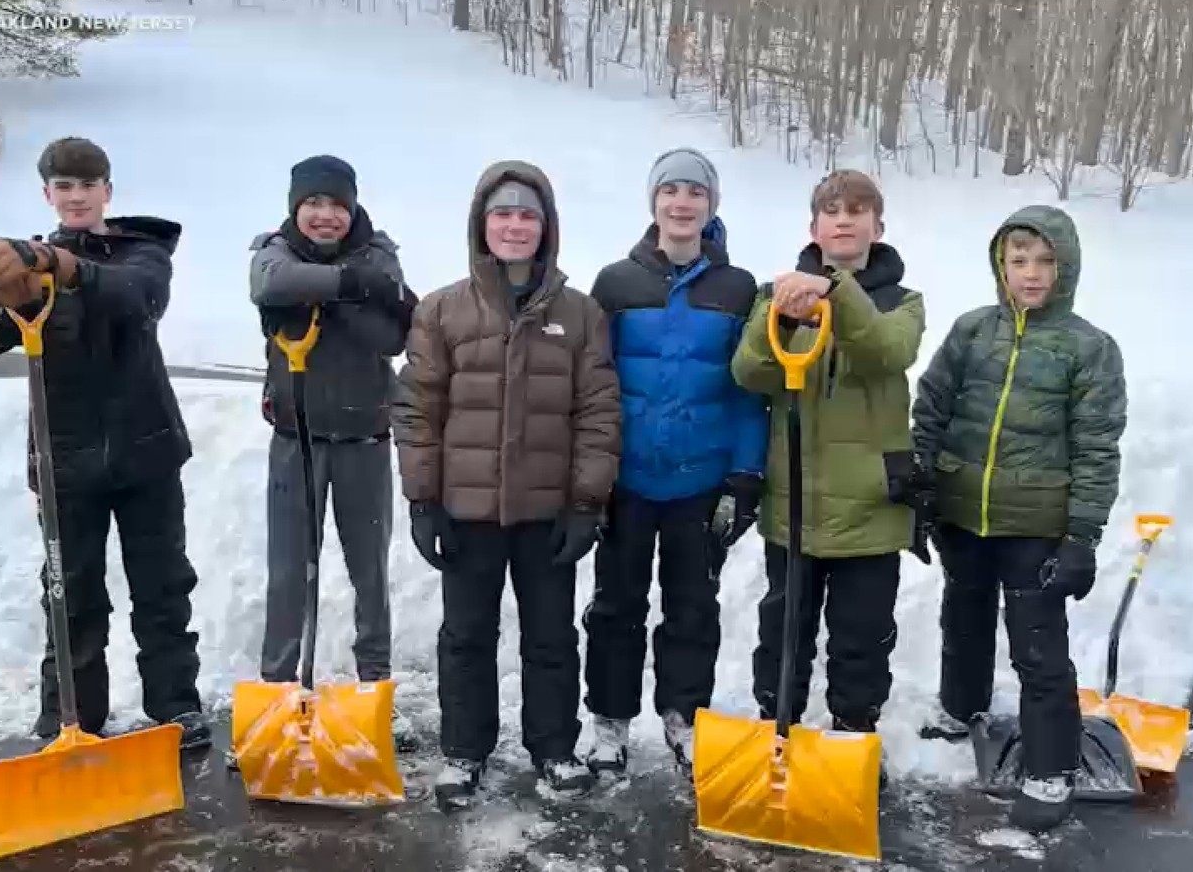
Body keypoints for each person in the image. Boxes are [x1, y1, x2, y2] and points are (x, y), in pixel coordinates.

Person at [0, 136, 208, 750]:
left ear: (107, 192)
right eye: (63, 187)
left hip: (146, 452)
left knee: (163, 588)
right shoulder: (26, 263)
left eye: (87, 186)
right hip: (64, 458)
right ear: (47, 194)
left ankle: (176, 707)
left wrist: (61, 267)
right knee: (70, 597)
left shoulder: (140, 251)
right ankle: (70, 718)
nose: (76, 197)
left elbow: (137, 298)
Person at [392, 160, 621, 809]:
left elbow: (598, 410)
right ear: (481, 224)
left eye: (528, 214)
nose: (515, 225)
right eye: (503, 213)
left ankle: (553, 747)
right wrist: (423, 499)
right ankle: (465, 751)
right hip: (466, 512)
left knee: (551, 637)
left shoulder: (580, 315)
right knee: (465, 636)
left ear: (546, 227)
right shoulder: (442, 311)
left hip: (548, 511)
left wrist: (586, 502)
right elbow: (418, 409)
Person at [911, 205, 1127, 833]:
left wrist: (1082, 537)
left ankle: (1052, 765)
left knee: (1038, 645)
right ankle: (962, 706)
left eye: (1044, 261)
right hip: (964, 513)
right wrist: (924, 481)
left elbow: (1097, 446)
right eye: (1018, 260)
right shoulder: (973, 331)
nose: (1031, 274)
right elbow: (932, 406)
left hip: (1036, 524)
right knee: (964, 616)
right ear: (1000, 266)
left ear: (1068, 266)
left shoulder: (1089, 348)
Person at [730, 170, 925, 778]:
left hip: (871, 505)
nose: (845, 220)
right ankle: (776, 728)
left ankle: (852, 734)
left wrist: (836, 293)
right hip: (797, 501)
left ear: (878, 227)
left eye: (859, 211)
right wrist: (784, 322)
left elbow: (887, 353)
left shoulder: (902, 302)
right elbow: (749, 371)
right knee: (783, 629)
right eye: (832, 211)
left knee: (861, 635)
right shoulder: (778, 293)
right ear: (813, 227)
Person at [582, 147, 767, 778]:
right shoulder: (615, 283)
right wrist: (593, 472)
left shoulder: (738, 288)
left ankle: (684, 718)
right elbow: (593, 384)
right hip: (627, 480)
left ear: (711, 205)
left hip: (700, 482)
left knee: (693, 607)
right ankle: (609, 724)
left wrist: (744, 477)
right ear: (653, 201)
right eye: (671, 191)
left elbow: (746, 391)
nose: (682, 203)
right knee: (616, 605)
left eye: (695, 192)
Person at [247, 155, 419, 751]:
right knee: (288, 574)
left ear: (352, 208)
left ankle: (375, 690)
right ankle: (277, 695)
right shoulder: (274, 250)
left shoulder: (380, 253)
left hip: (365, 441)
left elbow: (394, 332)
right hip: (295, 440)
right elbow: (268, 284)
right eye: (313, 204)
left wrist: (323, 299)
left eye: (336, 205)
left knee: (368, 573)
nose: (325, 216)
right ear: (296, 206)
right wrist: (350, 290)